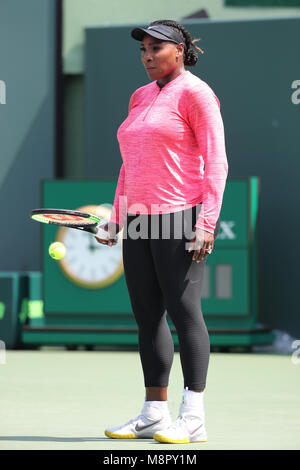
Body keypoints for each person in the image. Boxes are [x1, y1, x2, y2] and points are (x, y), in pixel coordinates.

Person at [96, 19, 228, 444]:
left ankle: (194, 416)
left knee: (185, 313)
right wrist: (116, 217)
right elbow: (128, 166)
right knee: (146, 315)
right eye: (143, 50)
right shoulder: (139, 97)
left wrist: (206, 222)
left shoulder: (196, 93)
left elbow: (217, 162)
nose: (148, 56)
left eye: (157, 48)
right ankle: (154, 412)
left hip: (179, 217)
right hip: (137, 219)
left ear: (180, 51)